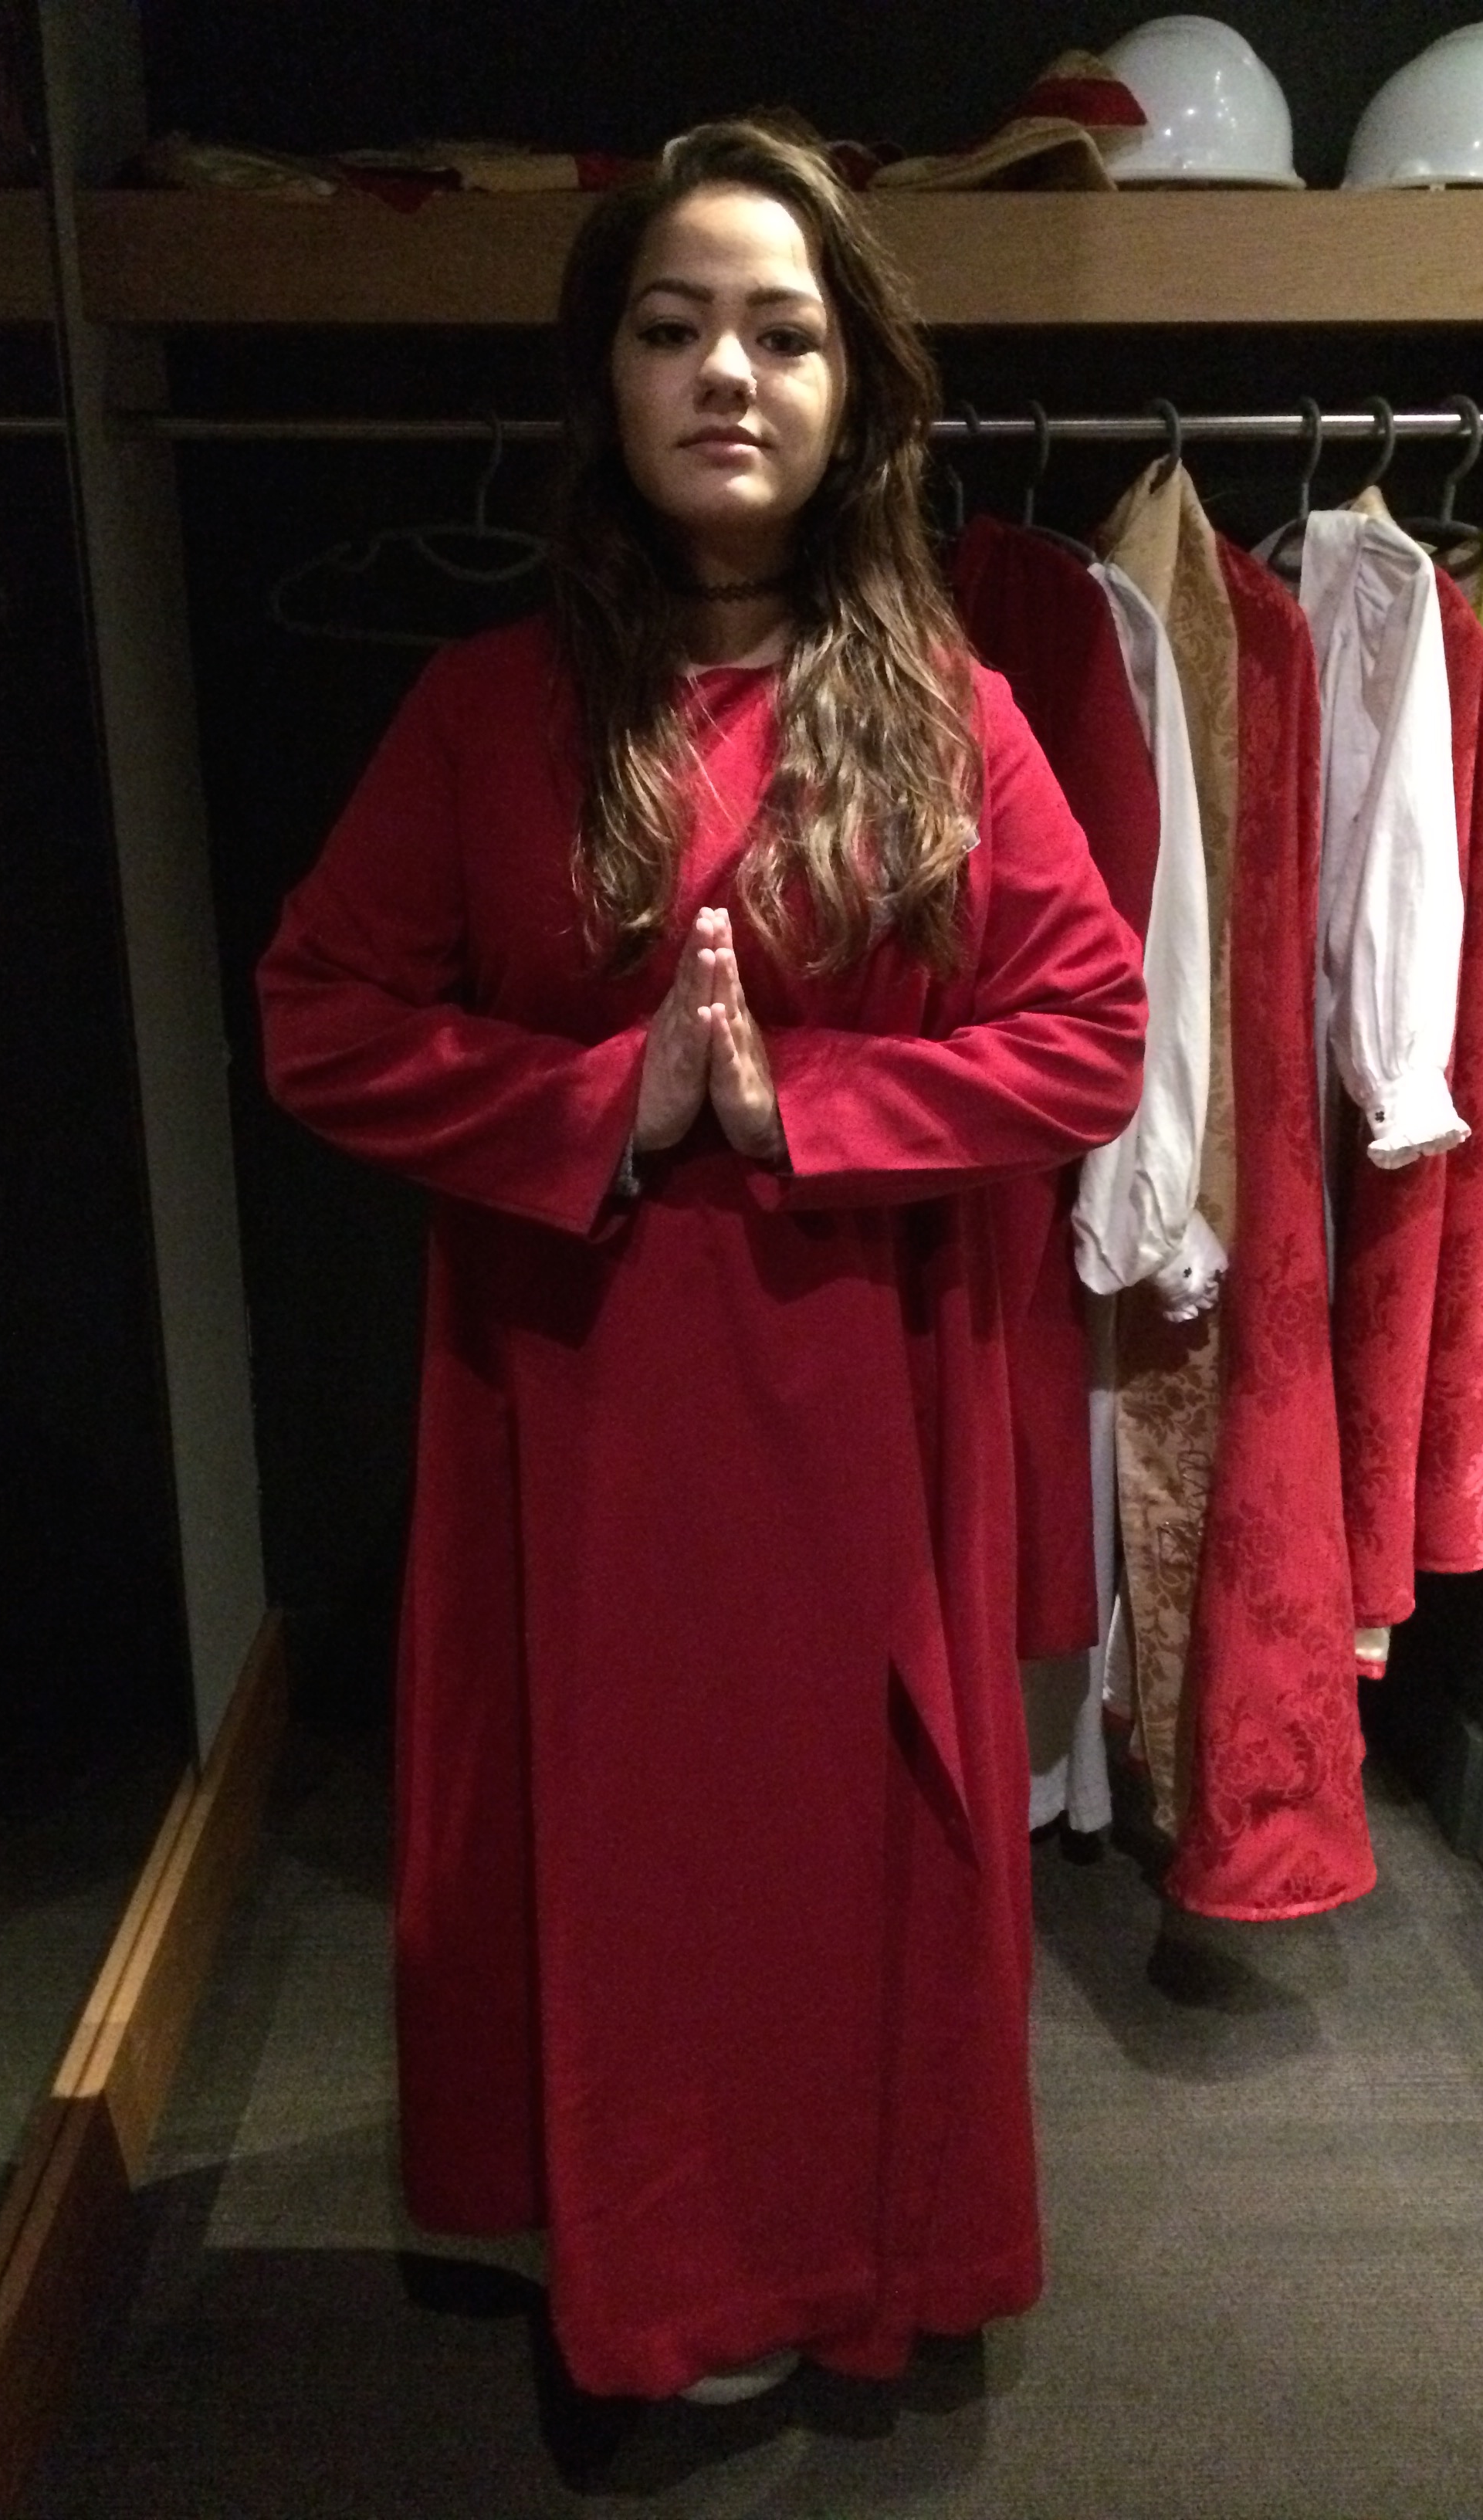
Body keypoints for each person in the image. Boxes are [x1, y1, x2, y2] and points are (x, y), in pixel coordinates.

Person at [256, 118, 1146, 2407]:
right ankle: (657, 2281)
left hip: (862, 1412)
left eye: (781, 333)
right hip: (584, 1414)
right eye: (673, 330)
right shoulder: (486, 711)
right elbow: (319, 1017)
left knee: (839, 1865)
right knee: (636, 1864)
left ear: (855, 392)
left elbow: (1090, 1035)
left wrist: (797, 1104)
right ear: (609, 381)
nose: (727, 375)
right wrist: (602, 1105)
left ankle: (846, 2265)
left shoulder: (953, 714)